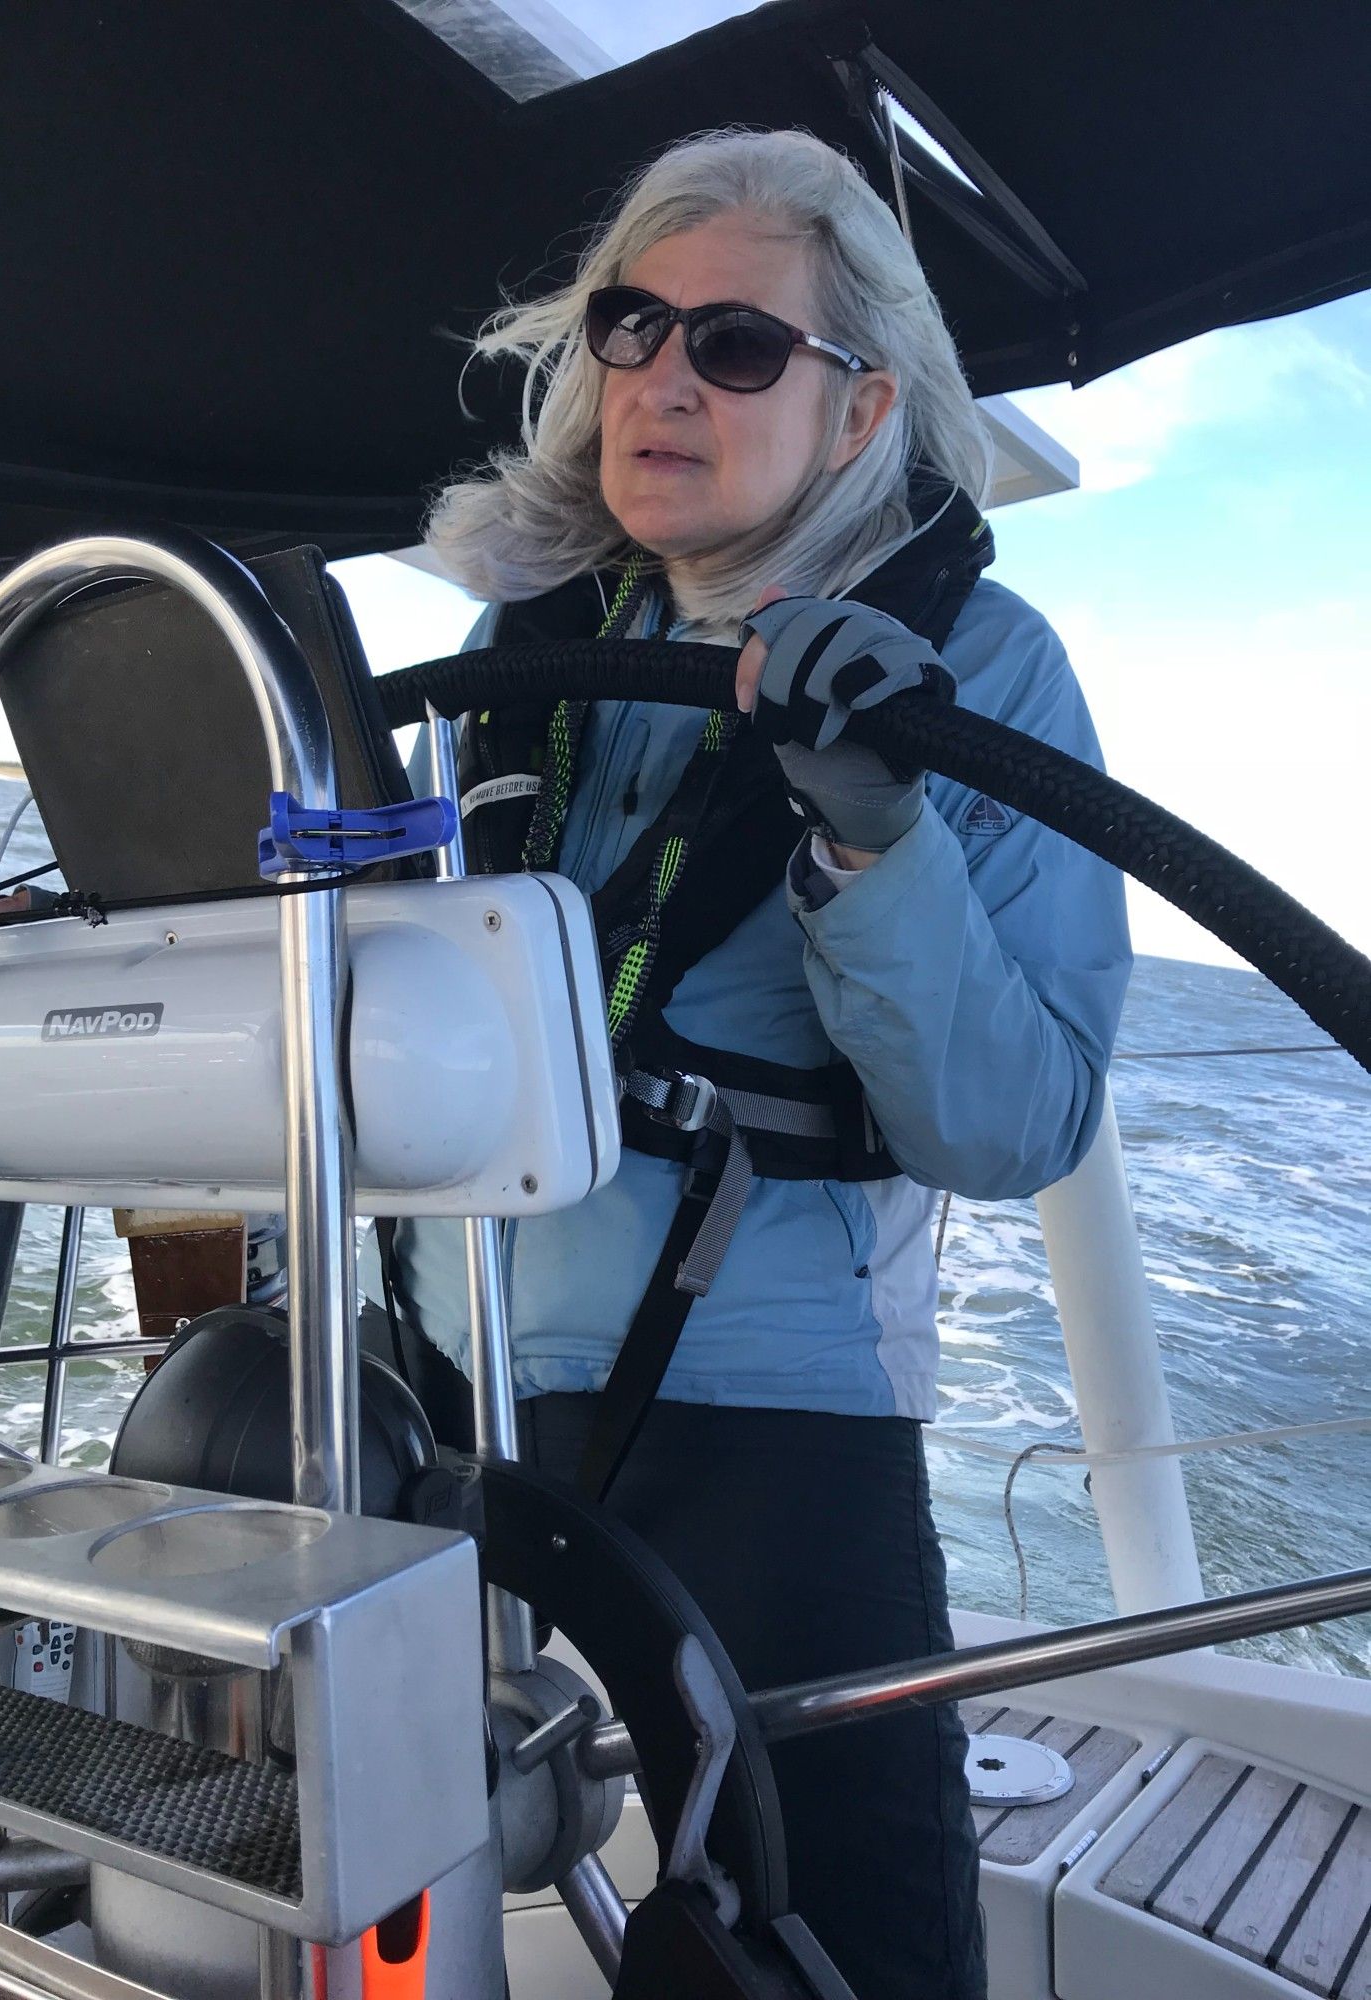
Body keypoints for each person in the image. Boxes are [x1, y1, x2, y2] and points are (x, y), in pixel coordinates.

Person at [365, 127, 1132, 2000]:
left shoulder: (983, 672)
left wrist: (873, 840)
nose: (663, 379)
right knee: (335, 1865)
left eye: (736, 346)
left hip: (771, 1413)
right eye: (636, 328)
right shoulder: (521, 648)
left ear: (863, 404)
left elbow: (1016, 1123)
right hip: (442, 1371)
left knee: (842, 1949)